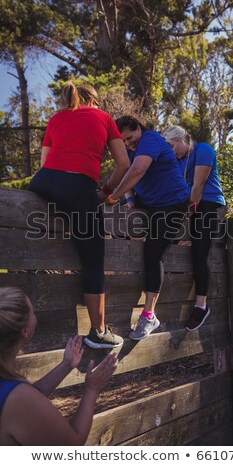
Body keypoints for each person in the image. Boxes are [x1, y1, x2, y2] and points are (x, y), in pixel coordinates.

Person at [28, 82, 130, 349]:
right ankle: (98, 332)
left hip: (43, 183)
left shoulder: (56, 118)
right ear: (94, 101)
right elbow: (124, 164)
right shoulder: (105, 118)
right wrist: (105, 192)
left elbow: (44, 164)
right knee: (94, 260)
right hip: (78, 187)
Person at [0, 287, 118, 445]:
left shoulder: (15, 395)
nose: (34, 316)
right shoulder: (18, 398)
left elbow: (27, 397)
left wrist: (66, 365)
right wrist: (92, 389)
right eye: (32, 312)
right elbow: (72, 445)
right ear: (25, 330)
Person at [110, 116, 190, 340]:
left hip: (173, 204)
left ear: (138, 128)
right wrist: (128, 199)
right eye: (124, 141)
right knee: (120, 229)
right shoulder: (129, 148)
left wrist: (113, 196)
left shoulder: (151, 139)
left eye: (130, 137)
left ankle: (149, 315)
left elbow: (136, 172)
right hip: (151, 204)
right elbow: (124, 173)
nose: (128, 143)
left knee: (153, 252)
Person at [163, 126, 226, 331]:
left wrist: (186, 215)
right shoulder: (178, 161)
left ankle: (201, 306)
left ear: (184, 139)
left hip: (208, 203)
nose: (172, 151)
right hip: (189, 204)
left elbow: (198, 186)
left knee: (199, 251)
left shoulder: (203, 150)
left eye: (173, 146)